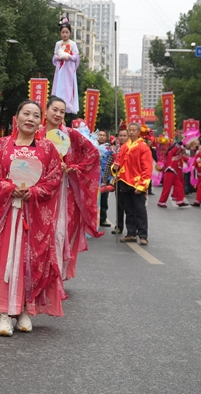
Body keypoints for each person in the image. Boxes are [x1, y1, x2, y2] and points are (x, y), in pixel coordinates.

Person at [0, 101, 64, 336]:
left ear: (41, 121)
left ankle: (26, 309)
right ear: (16, 118)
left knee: (32, 259)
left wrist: (35, 191)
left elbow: (53, 178)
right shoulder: (1, 146)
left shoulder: (48, 149)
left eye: (35, 115)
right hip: (7, 215)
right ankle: (4, 314)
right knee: (5, 259)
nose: (30, 118)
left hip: (34, 214)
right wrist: (8, 187)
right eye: (26, 114)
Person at [45, 98, 102, 278]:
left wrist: (74, 168)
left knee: (61, 231)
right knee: (42, 232)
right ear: (45, 111)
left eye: (62, 112)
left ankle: (58, 276)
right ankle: (40, 274)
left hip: (64, 191)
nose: (58, 114)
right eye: (55, 110)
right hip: (41, 190)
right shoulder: (36, 134)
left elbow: (92, 153)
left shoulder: (70, 134)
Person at [112, 122, 153, 245]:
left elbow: (147, 168)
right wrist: (115, 167)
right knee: (128, 210)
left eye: (134, 130)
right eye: (130, 130)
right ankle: (131, 233)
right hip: (124, 181)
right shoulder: (124, 146)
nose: (131, 132)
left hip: (136, 183)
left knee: (140, 210)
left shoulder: (143, 147)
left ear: (138, 132)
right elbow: (119, 161)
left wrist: (142, 186)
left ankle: (143, 235)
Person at [51, 18, 79, 115]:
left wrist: (69, 57)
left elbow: (76, 56)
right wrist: (58, 58)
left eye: (66, 32)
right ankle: (57, 103)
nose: (65, 34)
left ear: (70, 33)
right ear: (60, 33)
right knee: (59, 86)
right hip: (61, 68)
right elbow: (54, 55)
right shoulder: (58, 44)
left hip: (69, 69)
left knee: (69, 87)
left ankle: (68, 105)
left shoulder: (73, 44)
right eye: (63, 32)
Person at [111, 128, 129, 234]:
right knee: (119, 205)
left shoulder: (132, 148)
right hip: (118, 179)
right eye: (120, 136)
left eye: (124, 136)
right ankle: (119, 226)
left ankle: (132, 228)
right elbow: (111, 163)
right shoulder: (114, 149)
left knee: (131, 206)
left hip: (130, 180)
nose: (122, 138)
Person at [96, 129, 114, 228]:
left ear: (106, 137)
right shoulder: (93, 145)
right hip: (94, 177)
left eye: (103, 135)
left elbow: (109, 164)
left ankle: (103, 218)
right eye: (100, 135)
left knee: (104, 199)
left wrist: (107, 178)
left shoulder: (109, 149)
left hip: (105, 177)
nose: (102, 137)